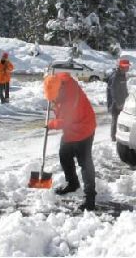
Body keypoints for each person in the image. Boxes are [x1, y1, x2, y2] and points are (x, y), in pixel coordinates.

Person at [44, 72, 97, 211]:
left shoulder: (70, 99)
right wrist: (53, 97)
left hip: (84, 128)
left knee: (85, 163)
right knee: (64, 155)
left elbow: (64, 121)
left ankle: (90, 197)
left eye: (55, 96)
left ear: (60, 90)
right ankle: (73, 183)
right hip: (71, 129)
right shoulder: (60, 81)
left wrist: (51, 124)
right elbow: (57, 76)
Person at [107, 59, 130, 142]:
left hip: (122, 101)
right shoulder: (115, 76)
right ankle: (113, 138)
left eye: (128, 66)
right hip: (115, 103)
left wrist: (127, 97)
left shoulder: (122, 75)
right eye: (126, 67)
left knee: (123, 119)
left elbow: (124, 88)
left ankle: (121, 135)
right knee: (115, 119)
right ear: (121, 67)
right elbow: (112, 90)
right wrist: (117, 103)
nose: (128, 68)